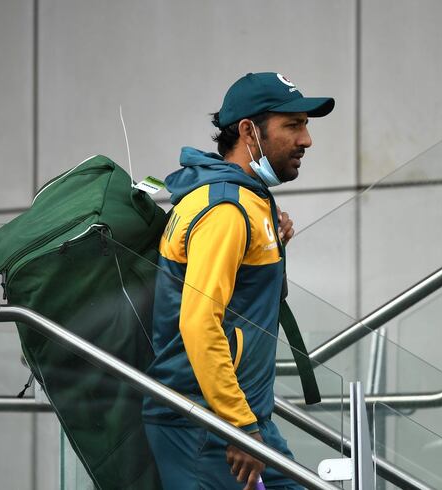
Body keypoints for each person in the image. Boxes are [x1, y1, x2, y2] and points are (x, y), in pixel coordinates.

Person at [142, 72, 335, 490]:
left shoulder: (246, 198)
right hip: (206, 426)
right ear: (249, 131)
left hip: (243, 417)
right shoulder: (225, 209)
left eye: (306, 125)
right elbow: (199, 322)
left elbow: (240, 288)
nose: (307, 140)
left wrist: (274, 239)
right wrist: (237, 426)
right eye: (293, 125)